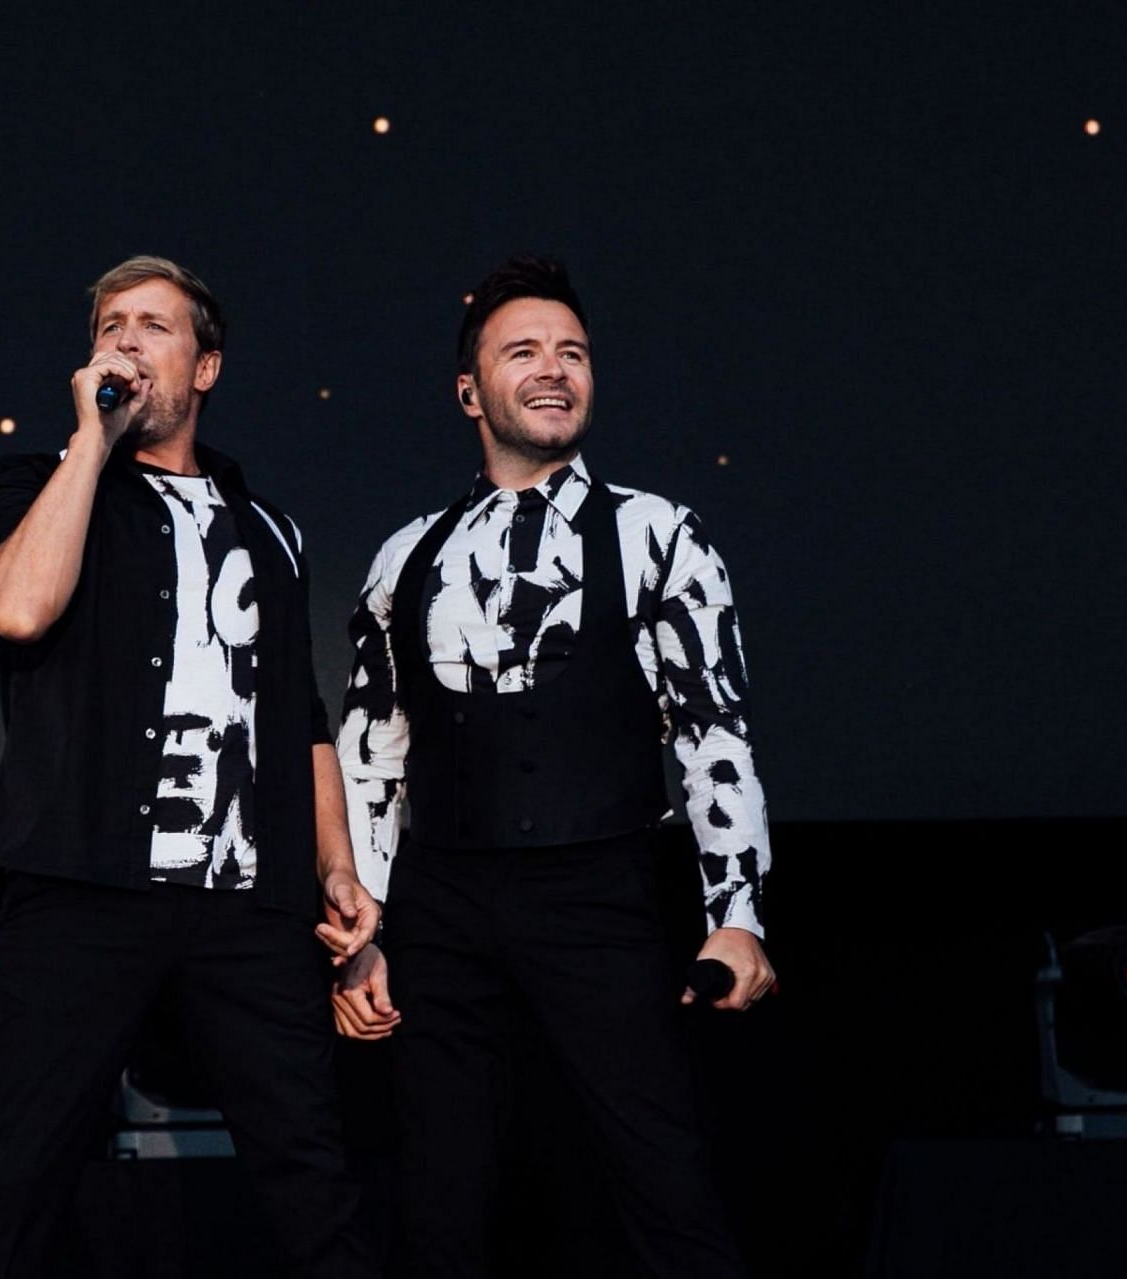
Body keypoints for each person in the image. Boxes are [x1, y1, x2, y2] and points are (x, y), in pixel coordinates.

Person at [333, 254, 775, 1277]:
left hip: (597, 892)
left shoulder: (658, 531)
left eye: (572, 352)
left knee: (659, 1179)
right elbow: (372, 759)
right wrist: (368, 928)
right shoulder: (405, 556)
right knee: (441, 1197)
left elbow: (716, 730)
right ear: (468, 391)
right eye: (523, 350)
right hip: (441, 902)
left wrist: (738, 912)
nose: (553, 369)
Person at [0, 256, 380, 1278]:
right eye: (111, 325)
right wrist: (91, 443)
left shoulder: (266, 525)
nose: (128, 341)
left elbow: (302, 718)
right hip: (85, 887)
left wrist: (335, 866)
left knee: (311, 1175)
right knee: (18, 1177)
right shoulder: (40, 485)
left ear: (208, 365)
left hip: (247, 904)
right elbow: (17, 607)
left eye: (155, 326)